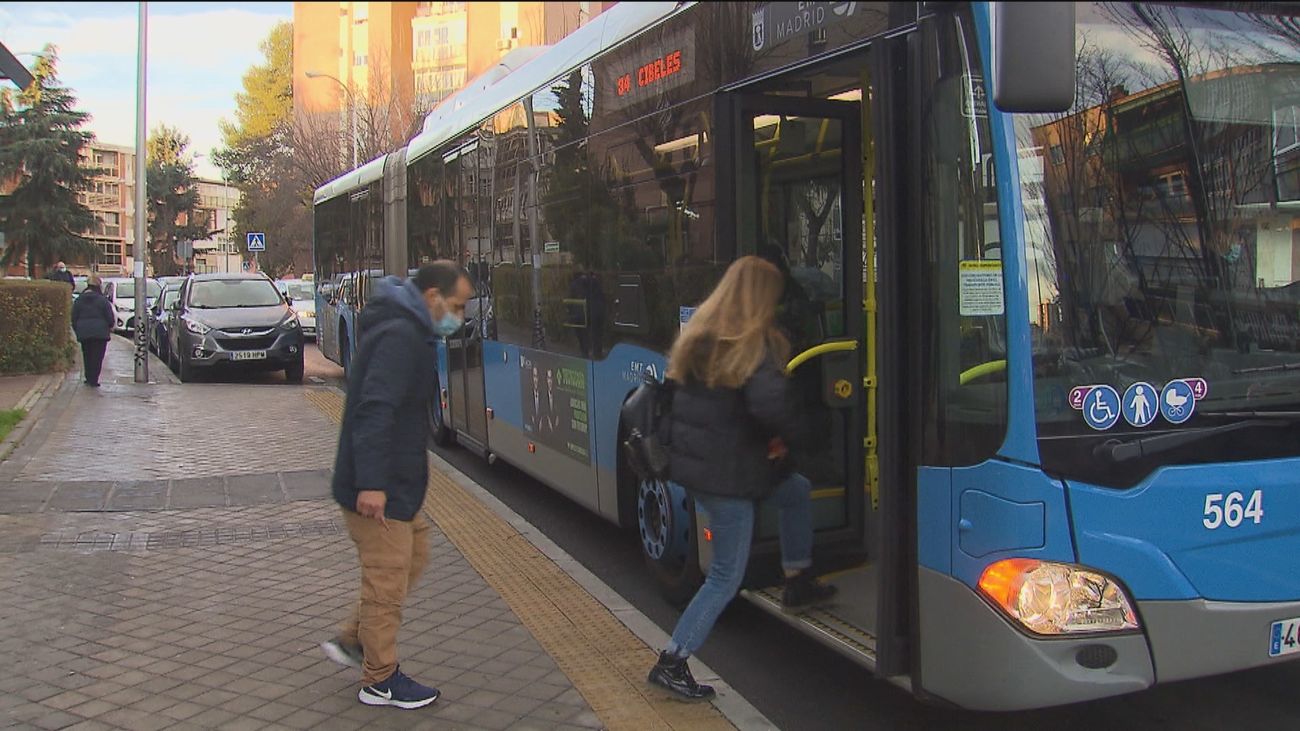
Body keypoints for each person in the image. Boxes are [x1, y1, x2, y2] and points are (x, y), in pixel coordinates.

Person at [648, 256, 836, 702]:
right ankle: (673, 660)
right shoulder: (752, 345)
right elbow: (772, 406)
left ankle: (797, 576)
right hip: (729, 475)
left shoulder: (699, 338)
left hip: (709, 468)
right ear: (760, 299)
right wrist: (805, 436)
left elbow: (714, 410)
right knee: (725, 577)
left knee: (795, 491)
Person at [321, 260, 473, 710]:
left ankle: (355, 639)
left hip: (394, 485)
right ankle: (380, 679)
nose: (460, 315)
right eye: (458, 305)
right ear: (432, 298)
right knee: (386, 581)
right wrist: (372, 483)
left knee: (413, 556)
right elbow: (375, 409)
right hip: (378, 487)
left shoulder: (407, 329)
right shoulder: (401, 337)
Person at [70, 274, 114, 387]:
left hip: (84, 332)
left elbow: (74, 317)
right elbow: (110, 317)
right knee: (97, 356)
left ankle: (88, 377)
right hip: (100, 333)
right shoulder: (103, 300)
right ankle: (94, 379)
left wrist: (78, 329)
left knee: (87, 355)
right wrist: (109, 326)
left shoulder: (79, 300)